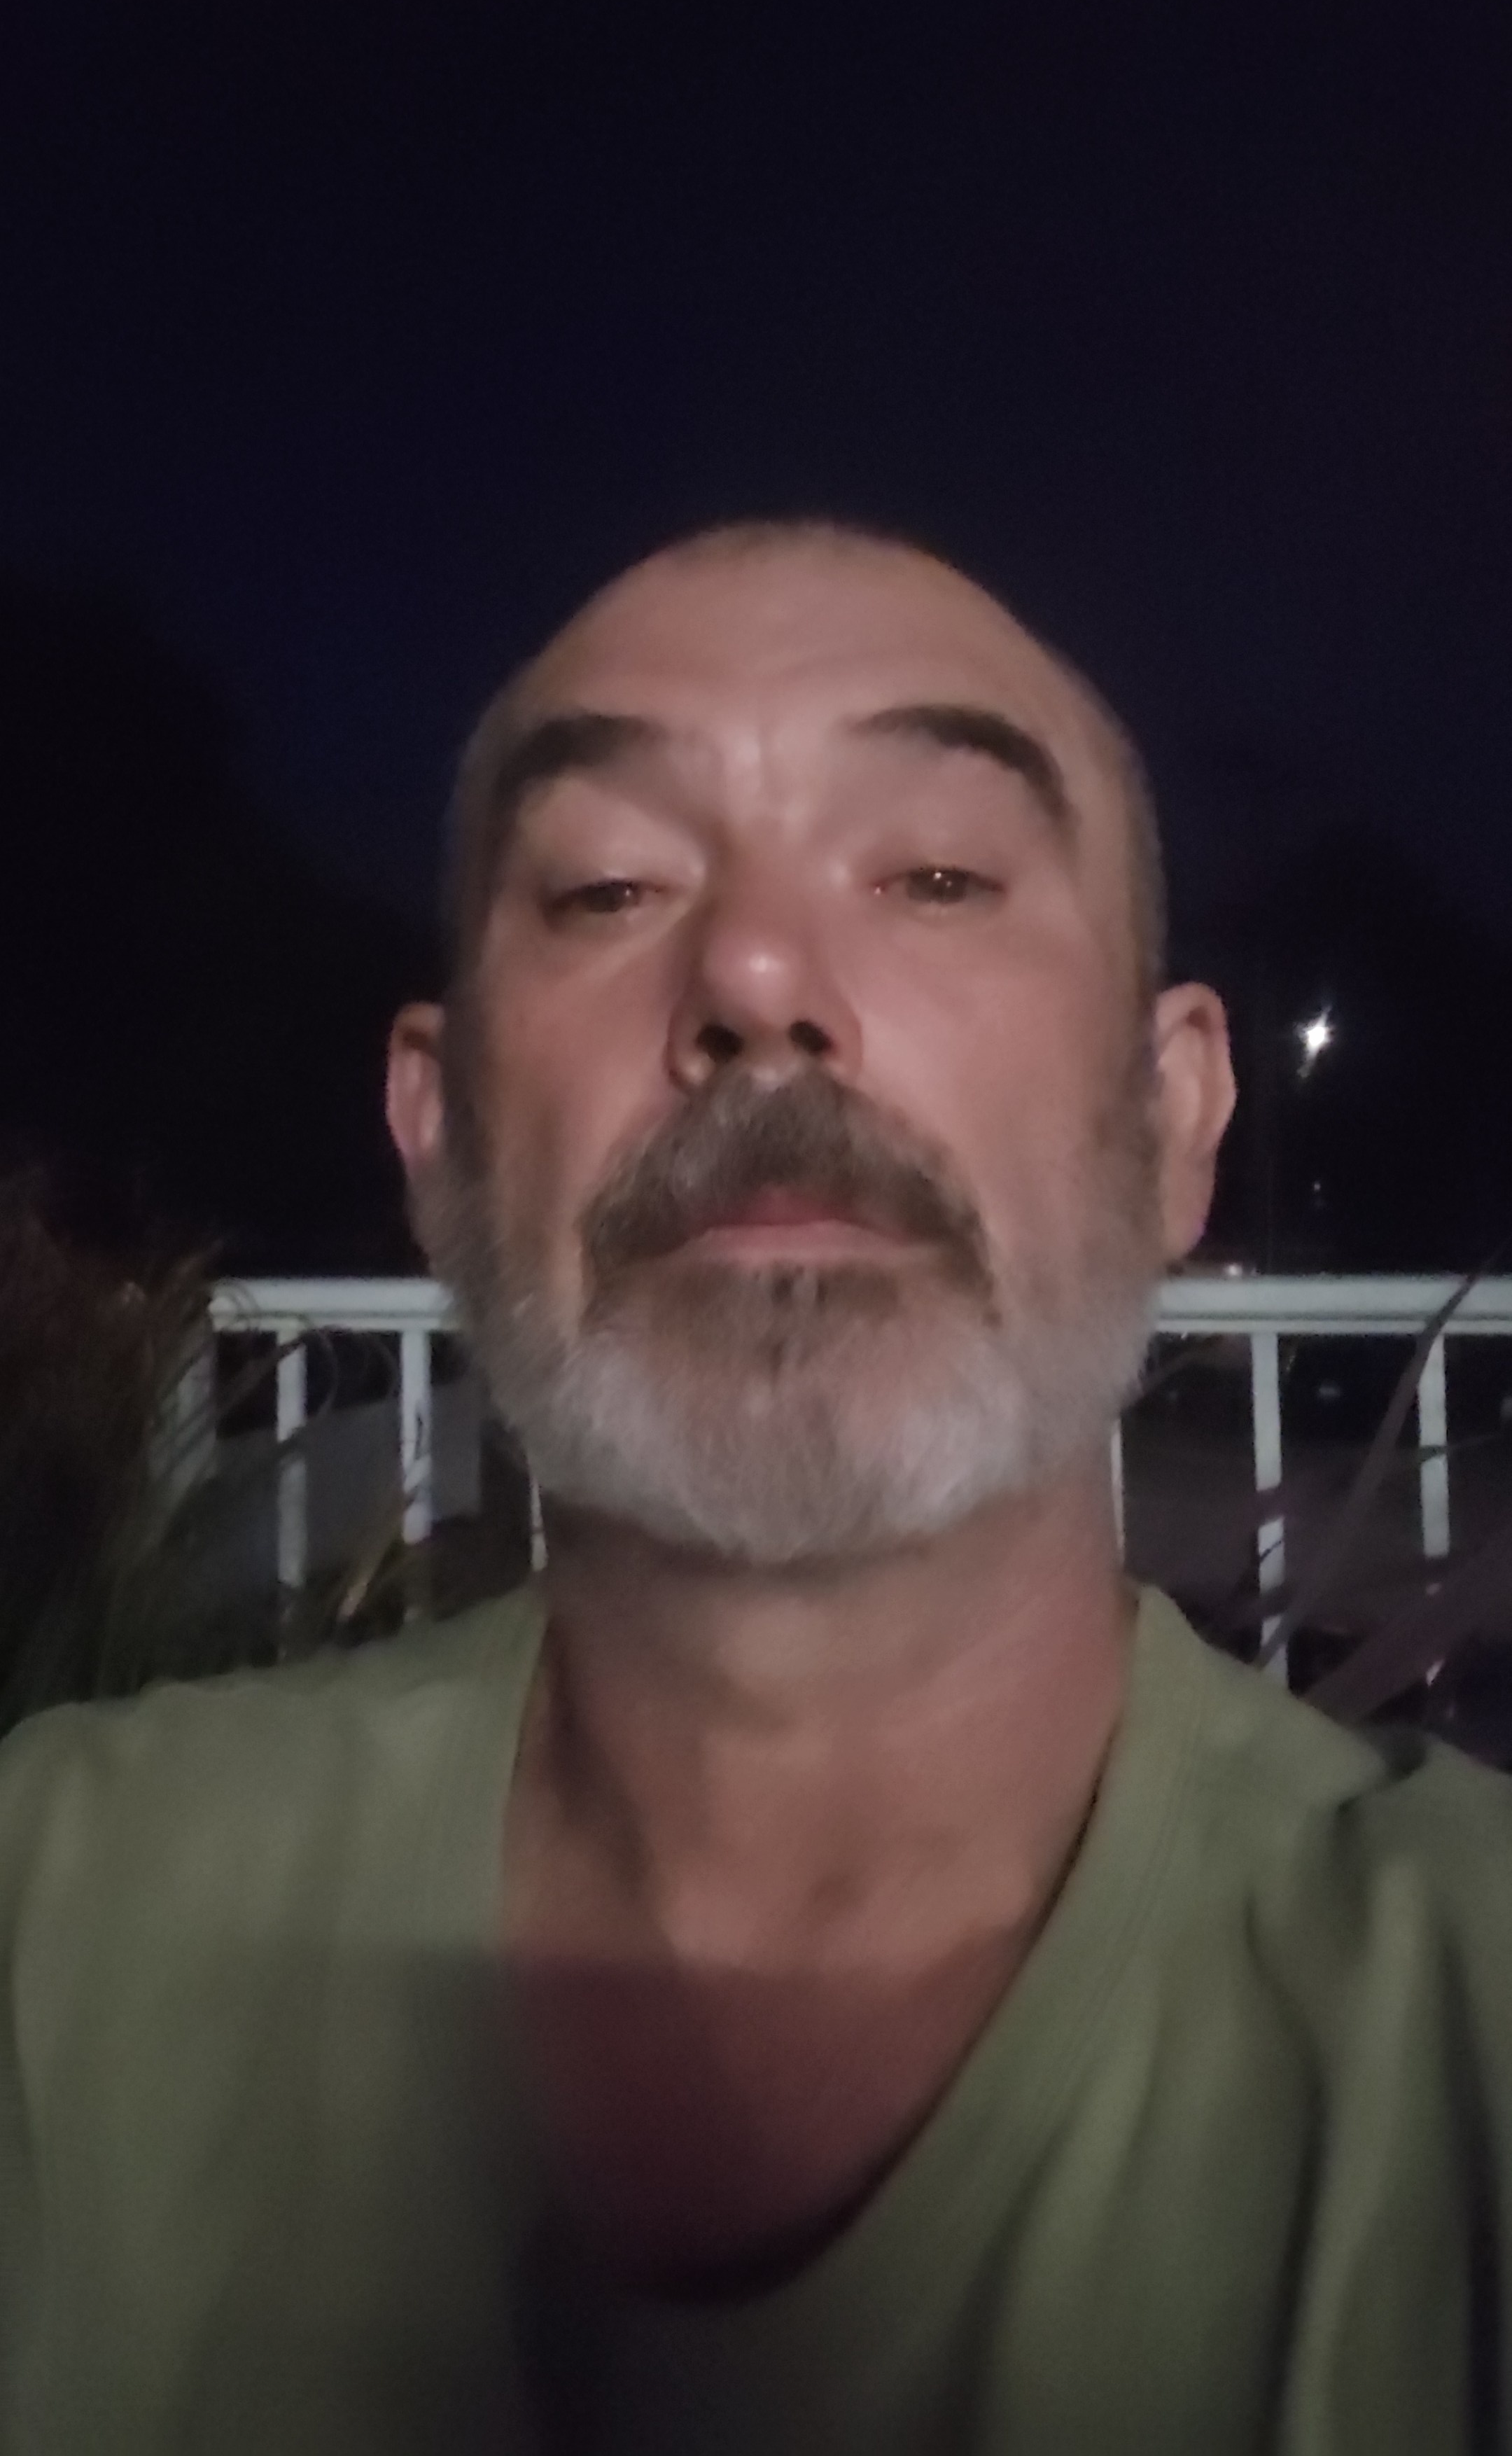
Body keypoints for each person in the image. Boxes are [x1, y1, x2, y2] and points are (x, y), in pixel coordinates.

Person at [1, 522, 1509, 2456]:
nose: (759, 973)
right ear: (437, 1135)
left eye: (939, 874)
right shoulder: (58, 1917)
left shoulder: (1470, 2022)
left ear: (1173, 1116)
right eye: (610, 885)